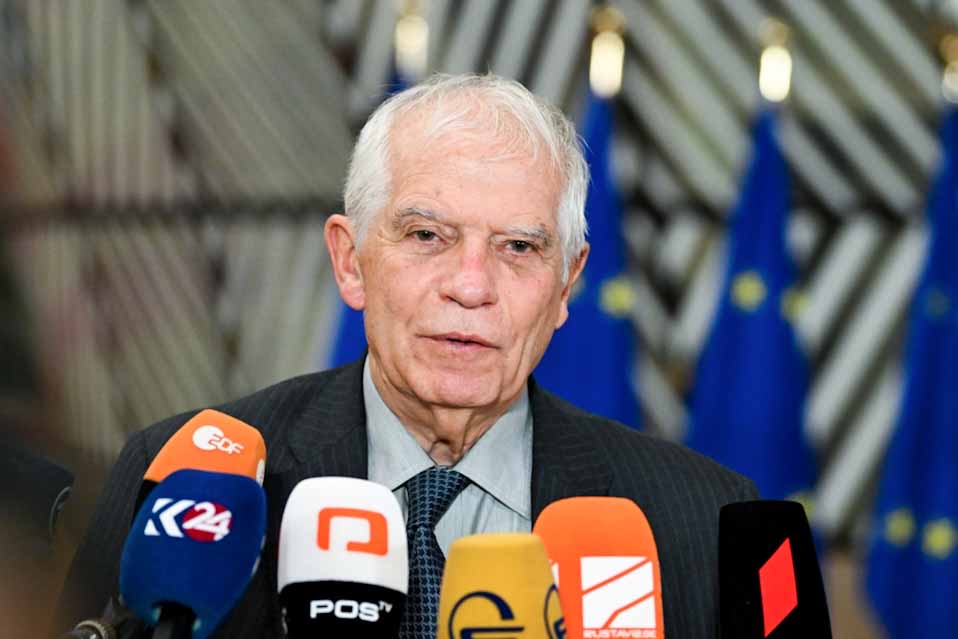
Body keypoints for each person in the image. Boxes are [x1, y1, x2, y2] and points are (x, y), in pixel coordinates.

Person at [56, 73, 756, 639]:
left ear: (567, 285)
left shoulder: (704, 520)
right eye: (427, 236)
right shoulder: (179, 487)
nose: (471, 286)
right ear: (350, 261)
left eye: (518, 247)